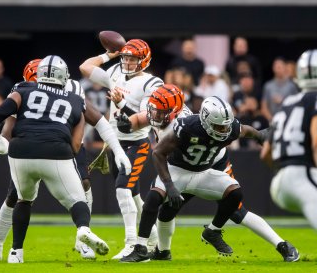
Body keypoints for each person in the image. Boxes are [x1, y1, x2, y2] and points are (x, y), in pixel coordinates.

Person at [117, 85, 299, 262]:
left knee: (236, 209)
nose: (155, 115)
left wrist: (261, 136)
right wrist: (125, 123)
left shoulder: (189, 123)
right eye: (157, 110)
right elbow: (141, 121)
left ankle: (277, 243)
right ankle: (162, 251)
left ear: (174, 110)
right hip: (181, 166)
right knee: (166, 208)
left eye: (161, 111)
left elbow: (242, 130)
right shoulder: (170, 116)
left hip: (213, 163)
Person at [0, 58, 131, 261]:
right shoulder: (57, 92)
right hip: (59, 147)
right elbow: (98, 121)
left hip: (26, 148)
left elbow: (2, 117)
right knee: (70, 198)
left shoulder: (23, 91)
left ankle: (16, 252)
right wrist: (117, 150)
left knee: (26, 197)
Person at [79, 39, 162, 259]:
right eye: (125, 57)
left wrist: (122, 104)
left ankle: (132, 243)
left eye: (132, 58)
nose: (127, 62)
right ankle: (153, 237)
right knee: (133, 196)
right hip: (115, 143)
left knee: (122, 190)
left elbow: (146, 118)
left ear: (143, 60)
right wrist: (110, 55)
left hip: (136, 143)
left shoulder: (152, 83)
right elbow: (85, 67)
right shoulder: (116, 69)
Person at [260, 49, 317, 231]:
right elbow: (316, 144)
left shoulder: (287, 103)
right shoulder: (314, 101)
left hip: (279, 183)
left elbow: (265, 153)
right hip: (303, 174)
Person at [260, 57, 298, 122]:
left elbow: (297, 104)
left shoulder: (292, 85)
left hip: (288, 120)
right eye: (276, 65)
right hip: (271, 121)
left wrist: (283, 101)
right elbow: (264, 107)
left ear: (285, 67)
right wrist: (272, 120)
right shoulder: (268, 86)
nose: (278, 67)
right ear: (273, 68)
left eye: (280, 66)